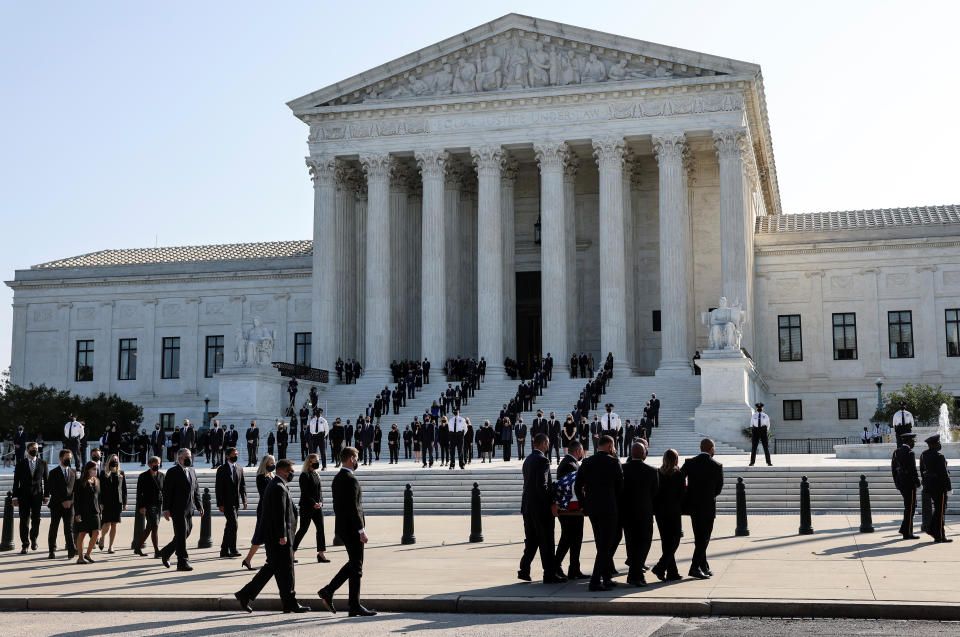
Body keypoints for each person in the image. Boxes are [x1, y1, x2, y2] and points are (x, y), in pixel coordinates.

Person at [235, 459, 310, 613]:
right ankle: (290, 602)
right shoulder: (278, 487)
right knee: (287, 570)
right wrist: (283, 535)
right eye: (290, 471)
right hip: (280, 538)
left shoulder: (278, 485)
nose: (292, 474)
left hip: (276, 537)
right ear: (282, 470)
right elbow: (279, 514)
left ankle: (246, 594)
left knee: (272, 568)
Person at [317, 446, 377, 617]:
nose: (357, 460)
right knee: (357, 566)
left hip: (343, 527)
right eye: (357, 457)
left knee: (354, 564)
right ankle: (352, 604)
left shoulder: (337, 478)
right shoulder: (351, 479)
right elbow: (354, 508)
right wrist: (361, 530)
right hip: (352, 528)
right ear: (351, 458)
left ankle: (332, 593)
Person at [574, 435, 623, 591]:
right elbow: (620, 488)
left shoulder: (587, 462)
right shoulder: (614, 462)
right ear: (610, 447)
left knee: (601, 543)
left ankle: (607, 577)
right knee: (605, 546)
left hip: (593, 509)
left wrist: (583, 504)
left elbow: (577, 486)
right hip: (609, 509)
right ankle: (595, 580)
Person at [518, 433, 565, 584]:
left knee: (531, 540)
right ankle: (549, 574)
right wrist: (551, 502)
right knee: (546, 541)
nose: (549, 445)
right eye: (548, 443)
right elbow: (542, 485)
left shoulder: (528, 460)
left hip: (527, 506)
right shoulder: (543, 460)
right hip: (540, 508)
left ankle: (524, 569)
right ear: (544, 444)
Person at [682, 438, 724, 579]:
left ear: (701, 448)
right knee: (704, 538)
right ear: (711, 449)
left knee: (699, 537)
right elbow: (718, 489)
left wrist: (688, 493)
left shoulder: (690, 463)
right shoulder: (717, 466)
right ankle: (694, 567)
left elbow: (680, 479)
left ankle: (703, 566)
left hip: (693, 506)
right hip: (707, 506)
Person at [621, 441, 659, 586]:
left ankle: (634, 575)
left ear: (631, 453)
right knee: (644, 542)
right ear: (644, 454)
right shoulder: (652, 471)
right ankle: (635, 575)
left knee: (631, 544)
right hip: (644, 512)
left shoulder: (622, 469)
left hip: (627, 512)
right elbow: (655, 492)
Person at [159, 448, 203, 571]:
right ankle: (182, 562)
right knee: (181, 533)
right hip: (177, 509)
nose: (189, 459)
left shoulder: (192, 471)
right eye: (186, 457)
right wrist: (166, 509)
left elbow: (196, 490)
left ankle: (166, 552)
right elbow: (167, 492)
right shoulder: (172, 472)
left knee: (185, 533)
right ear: (179, 459)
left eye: (190, 456)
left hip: (190, 508)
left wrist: (199, 505)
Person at [554, 440, 586, 579]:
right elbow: (571, 487)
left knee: (575, 539)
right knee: (568, 538)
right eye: (582, 450)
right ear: (578, 451)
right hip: (570, 509)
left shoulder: (569, 462)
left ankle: (574, 569)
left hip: (571, 509)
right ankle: (555, 566)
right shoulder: (569, 465)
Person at [651, 448, 685, 582]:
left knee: (666, 541)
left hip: (660, 511)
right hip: (673, 510)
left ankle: (672, 572)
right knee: (675, 539)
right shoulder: (679, 474)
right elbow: (682, 494)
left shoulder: (657, 473)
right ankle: (660, 566)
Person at [293, 453, 329, 563]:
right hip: (307, 506)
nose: (318, 462)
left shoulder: (316, 475)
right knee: (303, 529)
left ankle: (321, 554)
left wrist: (321, 502)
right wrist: (313, 503)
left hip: (318, 507)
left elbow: (320, 491)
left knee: (321, 529)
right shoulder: (304, 475)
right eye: (316, 461)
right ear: (309, 462)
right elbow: (305, 492)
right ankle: (291, 552)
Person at [12, 441, 47, 554]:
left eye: (36, 448)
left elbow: (46, 481)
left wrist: (47, 495)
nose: (35, 450)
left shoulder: (43, 463)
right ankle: (25, 544)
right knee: (24, 520)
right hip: (23, 495)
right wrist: (14, 497)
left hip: (37, 495)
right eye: (33, 448)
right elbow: (16, 481)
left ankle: (34, 539)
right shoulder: (20, 464)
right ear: (27, 450)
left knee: (36, 519)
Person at [242, 455, 276, 569]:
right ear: (265, 464)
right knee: (260, 535)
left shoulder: (271, 476)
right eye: (271, 463)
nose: (273, 465)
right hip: (264, 510)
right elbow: (265, 493)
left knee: (269, 536)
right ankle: (248, 559)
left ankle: (270, 559)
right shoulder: (261, 477)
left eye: (273, 463)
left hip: (271, 509)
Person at [920, 434, 952, 543]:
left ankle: (936, 532)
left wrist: (925, 484)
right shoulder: (939, 456)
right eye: (938, 443)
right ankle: (938, 535)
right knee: (940, 511)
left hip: (930, 486)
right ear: (933, 445)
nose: (940, 444)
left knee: (938, 510)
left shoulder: (923, 455)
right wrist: (949, 488)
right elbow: (944, 474)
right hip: (940, 487)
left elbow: (922, 471)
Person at [216, 447, 248, 558]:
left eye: (237, 454)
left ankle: (224, 550)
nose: (236, 456)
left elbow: (242, 485)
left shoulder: (239, 468)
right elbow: (218, 488)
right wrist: (220, 503)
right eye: (234, 454)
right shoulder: (222, 469)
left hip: (236, 502)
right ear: (227, 456)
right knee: (234, 525)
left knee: (230, 525)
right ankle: (233, 549)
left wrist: (244, 500)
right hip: (226, 502)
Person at [46, 448, 77, 559]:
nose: (69, 459)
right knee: (54, 527)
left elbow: (75, 489)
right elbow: (52, 489)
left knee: (69, 528)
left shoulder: (73, 472)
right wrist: (62, 501)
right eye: (67, 458)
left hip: (70, 505)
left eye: (70, 458)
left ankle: (71, 550)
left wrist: (70, 501)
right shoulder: (53, 472)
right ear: (61, 458)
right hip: (56, 504)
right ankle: (51, 550)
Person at [892, 432, 920, 540]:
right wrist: (918, 484)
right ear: (909, 441)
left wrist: (897, 483)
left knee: (909, 507)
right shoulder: (910, 452)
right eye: (913, 440)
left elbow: (893, 469)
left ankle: (904, 529)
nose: (914, 442)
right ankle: (907, 532)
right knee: (910, 508)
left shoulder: (897, 451)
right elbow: (913, 470)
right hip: (909, 484)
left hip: (901, 483)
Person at [133, 457, 164, 557]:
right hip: (148, 504)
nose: (157, 465)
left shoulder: (162, 475)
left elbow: (165, 491)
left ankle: (137, 548)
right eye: (154, 463)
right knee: (154, 526)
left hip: (158, 504)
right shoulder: (143, 476)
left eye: (158, 463)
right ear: (149, 465)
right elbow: (139, 493)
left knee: (149, 527)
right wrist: (141, 506)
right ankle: (156, 551)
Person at [74, 460, 102, 564]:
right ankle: (80, 558)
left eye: (97, 469)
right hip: (83, 512)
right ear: (88, 469)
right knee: (82, 534)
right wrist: (77, 513)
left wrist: (100, 511)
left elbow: (98, 498)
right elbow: (76, 499)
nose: (96, 470)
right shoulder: (79, 482)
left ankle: (88, 554)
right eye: (94, 469)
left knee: (97, 532)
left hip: (95, 511)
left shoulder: (97, 481)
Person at [97, 454, 127, 553]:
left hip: (117, 502)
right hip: (106, 502)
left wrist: (124, 502)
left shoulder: (121, 473)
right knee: (107, 523)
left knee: (114, 524)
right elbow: (99, 489)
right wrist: (100, 502)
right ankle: (102, 537)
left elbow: (124, 489)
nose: (114, 461)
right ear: (109, 461)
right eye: (113, 459)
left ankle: (111, 546)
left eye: (116, 460)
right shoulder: (103, 473)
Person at [749, 402, 772, 466]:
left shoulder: (765, 415)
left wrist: (765, 431)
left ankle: (769, 462)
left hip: (763, 431)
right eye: (758, 408)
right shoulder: (754, 416)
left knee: (766, 447)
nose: (759, 409)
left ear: (762, 408)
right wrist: (754, 431)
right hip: (756, 431)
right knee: (754, 447)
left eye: (760, 408)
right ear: (756, 409)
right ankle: (752, 462)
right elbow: (751, 424)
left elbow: (768, 425)